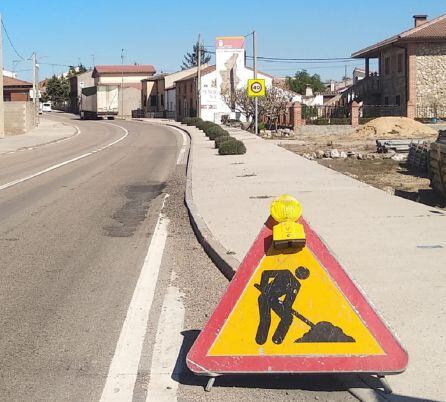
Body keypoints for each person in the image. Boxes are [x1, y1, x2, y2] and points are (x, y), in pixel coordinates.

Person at [255, 266, 310, 345]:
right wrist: (263, 288)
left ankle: (277, 339)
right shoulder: (285, 272)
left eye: (304, 274)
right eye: (301, 271)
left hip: (274, 300)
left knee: (288, 317)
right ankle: (260, 340)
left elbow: (288, 302)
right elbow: (265, 273)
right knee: (266, 319)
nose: (301, 274)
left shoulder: (296, 285)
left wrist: (286, 307)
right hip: (265, 297)